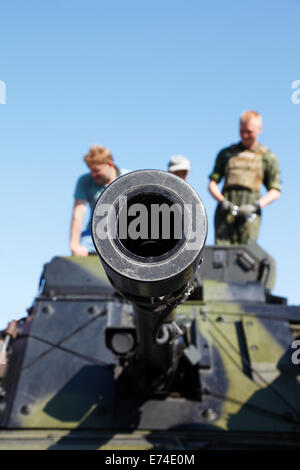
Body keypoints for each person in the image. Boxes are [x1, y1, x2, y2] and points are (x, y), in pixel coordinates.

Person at [208, 111, 281, 245]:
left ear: (259, 130)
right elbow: (212, 183)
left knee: (246, 255)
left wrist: (256, 206)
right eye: (242, 131)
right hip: (226, 209)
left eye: (249, 131)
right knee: (221, 255)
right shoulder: (226, 154)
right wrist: (222, 201)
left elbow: (275, 191)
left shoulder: (267, 157)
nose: (245, 135)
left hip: (250, 210)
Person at [70, 145, 129, 256]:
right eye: (91, 171)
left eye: (97, 170)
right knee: (81, 255)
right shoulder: (85, 181)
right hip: (95, 234)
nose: (93, 175)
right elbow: (78, 213)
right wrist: (74, 245)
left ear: (110, 164)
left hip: (127, 232)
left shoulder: (129, 178)